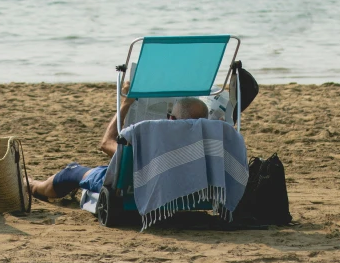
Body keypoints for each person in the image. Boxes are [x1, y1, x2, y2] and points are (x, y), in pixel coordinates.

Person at [30, 85, 209, 200]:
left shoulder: (151, 148)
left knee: (71, 173)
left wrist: (125, 104)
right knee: (99, 169)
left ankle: (33, 186)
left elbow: (106, 143)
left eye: (170, 116)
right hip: (180, 187)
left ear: (170, 119)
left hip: (132, 188)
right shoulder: (211, 147)